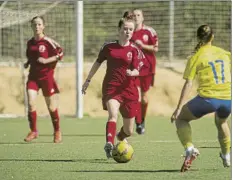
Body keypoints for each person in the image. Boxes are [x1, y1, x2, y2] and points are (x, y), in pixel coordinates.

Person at [82, 17, 147, 158]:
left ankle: (119, 136)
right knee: (113, 115)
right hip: (112, 88)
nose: (128, 31)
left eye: (130, 29)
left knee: (129, 131)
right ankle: (109, 144)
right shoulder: (108, 47)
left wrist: (132, 72)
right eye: (125, 28)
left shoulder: (135, 49)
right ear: (119, 30)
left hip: (129, 91)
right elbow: (97, 62)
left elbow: (138, 69)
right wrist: (88, 80)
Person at [171, 25, 231, 172]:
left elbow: (188, 83)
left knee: (181, 119)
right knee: (222, 121)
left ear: (198, 38)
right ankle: (226, 155)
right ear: (213, 37)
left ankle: (189, 148)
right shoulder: (225, 53)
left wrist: (178, 109)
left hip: (208, 99)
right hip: (227, 99)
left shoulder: (195, 57)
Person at [23, 16, 64, 143]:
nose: (37, 27)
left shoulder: (48, 42)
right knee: (30, 103)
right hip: (33, 77)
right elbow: (31, 56)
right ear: (31, 26)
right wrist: (27, 63)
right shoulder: (30, 43)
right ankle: (33, 131)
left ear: (43, 26)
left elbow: (60, 53)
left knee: (51, 107)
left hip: (46, 78)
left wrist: (47, 60)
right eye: (34, 25)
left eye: (39, 24)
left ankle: (57, 131)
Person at [127, 9, 158, 134]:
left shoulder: (149, 32)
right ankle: (138, 123)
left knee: (144, 99)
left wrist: (143, 45)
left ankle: (142, 120)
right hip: (134, 69)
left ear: (143, 17)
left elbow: (156, 48)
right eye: (134, 15)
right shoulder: (128, 31)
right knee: (137, 97)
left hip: (147, 68)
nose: (136, 17)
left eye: (138, 15)